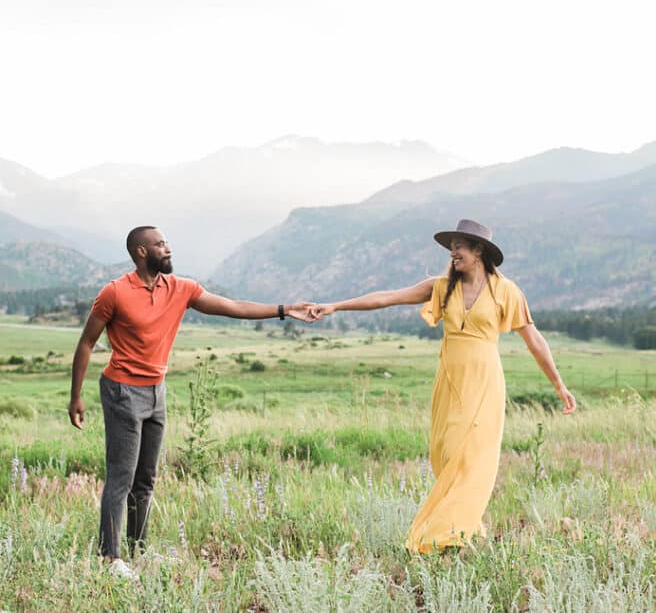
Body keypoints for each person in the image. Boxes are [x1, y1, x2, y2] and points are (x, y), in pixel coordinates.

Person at [310, 219, 576, 553]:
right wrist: (336, 305)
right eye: (451, 248)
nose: (453, 253)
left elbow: (534, 340)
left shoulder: (505, 291)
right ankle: (466, 530)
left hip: (484, 383)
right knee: (446, 456)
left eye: (459, 247)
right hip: (449, 381)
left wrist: (559, 386)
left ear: (478, 251)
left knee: (472, 457)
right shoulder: (440, 286)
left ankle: (442, 536)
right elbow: (387, 298)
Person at [69, 226, 314, 577]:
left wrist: (284, 309)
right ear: (141, 252)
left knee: (147, 479)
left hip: (157, 390)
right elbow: (86, 343)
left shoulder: (180, 288)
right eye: (160, 244)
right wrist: (76, 395)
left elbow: (232, 307)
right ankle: (110, 559)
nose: (167, 248)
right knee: (121, 477)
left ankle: (138, 553)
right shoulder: (115, 293)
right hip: (122, 391)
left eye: (166, 243)